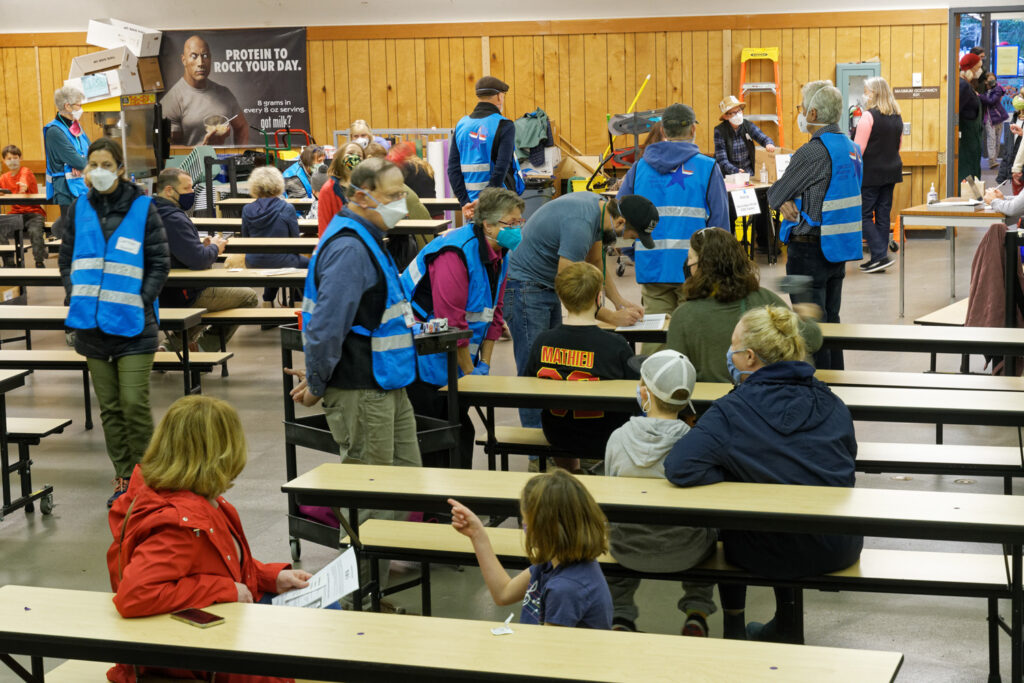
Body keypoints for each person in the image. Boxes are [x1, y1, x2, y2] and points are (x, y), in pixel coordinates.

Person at [664, 305, 862, 643]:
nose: (729, 353)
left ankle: (734, 628)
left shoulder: (731, 410)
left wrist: (730, 475)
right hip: (837, 545)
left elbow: (679, 467)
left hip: (761, 552)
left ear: (750, 358)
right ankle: (787, 622)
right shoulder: (833, 404)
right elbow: (847, 463)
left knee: (740, 515)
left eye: (732, 346)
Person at [106, 395, 311, 683]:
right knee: (315, 652)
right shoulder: (178, 524)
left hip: (210, 632)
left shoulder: (189, 500)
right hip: (196, 657)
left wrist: (268, 576)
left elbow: (214, 559)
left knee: (325, 616)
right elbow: (135, 595)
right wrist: (224, 589)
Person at [285, 159, 420, 588]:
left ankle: (376, 579)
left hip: (387, 383)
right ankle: (359, 594)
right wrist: (319, 383)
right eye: (394, 194)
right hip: (362, 387)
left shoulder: (368, 237)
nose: (403, 203)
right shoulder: (349, 248)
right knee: (370, 492)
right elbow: (325, 328)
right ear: (362, 196)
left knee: (404, 481)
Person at [58, 137, 169, 507]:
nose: (99, 172)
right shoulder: (78, 208)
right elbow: (65, 257)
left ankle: (150, 478)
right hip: (90, 327)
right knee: (110, 408)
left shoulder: (142, 208)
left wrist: (141, 299)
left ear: (120, 169)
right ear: (85, 171)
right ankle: (124, 479)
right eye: (93, 166)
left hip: (134, 325)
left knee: (134, 402)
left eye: (106, 165)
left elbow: (159, 263)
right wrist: (74, 292)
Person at [504, 192, 651, 429]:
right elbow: (570, 285)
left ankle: (556, 441)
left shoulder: (600, 212)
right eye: (631, 237)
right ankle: (536, 454)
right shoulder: (581, 223)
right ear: (621, 222)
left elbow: (595, 263)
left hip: (544, 284)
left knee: (551, 366)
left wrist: (619, 301)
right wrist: (610, 316)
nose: (629, 243)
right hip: (526, 287)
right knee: (533, 376)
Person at [402, 187, 523, 469]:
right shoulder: (454, 253)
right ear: (488, 224)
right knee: (440, 435)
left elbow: (494, 315)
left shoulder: (500, 253)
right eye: (511, 223)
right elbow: (450, 325)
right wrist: (471, 374)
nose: (517, 229)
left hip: (456, 354)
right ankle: (435, 509)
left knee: (457, 430)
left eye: (520, 223)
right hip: (421, 353)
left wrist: (485, 367)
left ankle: (452, 504)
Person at [603, 350, 717, 636]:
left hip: (627, 548)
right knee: (712, 531)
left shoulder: (617, 437)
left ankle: (621, 615)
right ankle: (697, 611)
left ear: (646, 392)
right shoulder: (695, 443)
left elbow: (608, 494)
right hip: (686, 550)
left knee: (611, 528)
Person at [617, 103, 729, 351]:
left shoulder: (638, 169)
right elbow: (720, 226)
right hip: (695, 271)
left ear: (663, 131)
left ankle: (653, 387)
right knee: (693, 342)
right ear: (692, 129)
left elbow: (618, 220)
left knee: (655, 341)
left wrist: (634, 254)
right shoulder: (708, 168)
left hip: (652, 268)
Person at [768, 80, 861, 371]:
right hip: (837, 249)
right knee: (832, 322)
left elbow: (774, 195)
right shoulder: (852, 148)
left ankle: (817, 388)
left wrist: (786, 198)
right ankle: (836, 383)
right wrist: (791, 197)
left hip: (807, 252)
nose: (799, 111)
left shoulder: (812, 152)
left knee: (809, 326)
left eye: (800, 106)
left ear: (812, 114)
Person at [448, 468, 613, 629]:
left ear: (544, 528)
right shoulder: (553, 562)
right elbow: (503, 593)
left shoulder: (565, 589)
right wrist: (477, 534)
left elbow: (548, 651)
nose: (524, 527)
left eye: (525, 521)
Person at [666, 227, 822, 382]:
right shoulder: (765, 300)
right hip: (764, 398)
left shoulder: (683, 315)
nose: (688, 264)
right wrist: (808, 318)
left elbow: (675, 374)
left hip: (708, 405)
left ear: (701, 267)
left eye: (691, 258)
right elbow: (812, 340)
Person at [524, 262, 639, 472]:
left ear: (562, 297)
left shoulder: (542, 341)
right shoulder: (615, 346)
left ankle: (571, 470)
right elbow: (636, 398)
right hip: (605, 434)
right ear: (598, 298)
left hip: (557, 432)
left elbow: (528, 384)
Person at [153, 167, 258, 352]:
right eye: (187, 189)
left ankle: (171, 346)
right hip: (182, 294)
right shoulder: (173, 219)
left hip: (158, 292)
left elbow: (178, 251)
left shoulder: (151, 211)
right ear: (169, 190)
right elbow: (198, 261)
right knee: (247, 297)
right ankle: (203, 348)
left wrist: (202, 247)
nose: (192, 193)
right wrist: (215, 248)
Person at [448, 76, 525, 222]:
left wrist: (465, 202)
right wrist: (484, 202)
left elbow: (452, 169)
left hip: (471, 206)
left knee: (477, 242)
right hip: (498, 203)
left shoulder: (461, 125)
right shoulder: (504, 125)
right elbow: (501, 168)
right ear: (499, 97)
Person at [713, 95, 775, 253]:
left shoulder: (747, 126)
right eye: (733, 112)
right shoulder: (719, 131)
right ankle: (730, 246)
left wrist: (768, 144)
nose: (738, 114)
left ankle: (764, 243)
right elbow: (721, 160)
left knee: (762, 204)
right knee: (730, 210)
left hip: (750, 177)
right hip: (730, 179)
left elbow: (762, 137)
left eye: (739, 111)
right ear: (726, 116)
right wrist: (735, 170)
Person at [854, 76, 903, 274]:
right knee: (883, 215)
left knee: (863, 215)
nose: (865, 95)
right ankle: (878, 259)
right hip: (892, 171)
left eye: (867, 91)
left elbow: (858, 149)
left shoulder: (868, 116)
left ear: (874, 93)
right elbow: (898, 145)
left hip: (871, 173)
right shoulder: (897, 116)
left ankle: (880, 255)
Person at [241, 166, 310, 306]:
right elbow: (295, 242)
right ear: (278, 184)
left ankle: (267, 302)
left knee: (272, 259)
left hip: (254, 261)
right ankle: (297, 303)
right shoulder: (287, 208)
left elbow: (245, 238)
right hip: (281, 261)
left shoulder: (247, 209)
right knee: (303, 263)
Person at [162, 35, 248, 146]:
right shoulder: (172, 101)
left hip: (226, 162)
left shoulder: (224, 93)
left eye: (205, 56)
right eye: (194, 56)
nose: (201, 63)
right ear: (184, 60)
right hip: (195, 163)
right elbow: (173, 153)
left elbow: (242, 127)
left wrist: (240, 157)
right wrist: (205, 148)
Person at [43, 86, 89, 223]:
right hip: (67, 191)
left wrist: (81, 161)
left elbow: (92, 151)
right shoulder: (54, 131)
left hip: (81, 186)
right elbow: (80, 162)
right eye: (78, 105)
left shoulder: (75, 126)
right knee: (71, 234)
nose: (81, 109)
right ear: (67, 106)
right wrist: (80, 162)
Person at [0, 145, 47, 267]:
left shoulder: (26, 171)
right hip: (15, 214)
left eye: (15, 158)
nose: (12, 161)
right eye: (9, 158)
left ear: (20, 158)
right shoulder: (3, 178)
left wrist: (23, 186)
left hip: (33, 213)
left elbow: (24, 179)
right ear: (4, 160)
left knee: (35, 232)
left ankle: (39, 262)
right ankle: (9, 262)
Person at [317, 144, 364, 236]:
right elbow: (324, 226)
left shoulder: (367, 187)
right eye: (350, 153)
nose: (355, 157)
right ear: (340, 158)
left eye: (359, 155)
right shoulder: (329, 189)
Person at [958, 52, 984, 183]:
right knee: (968, 175)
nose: (980, 70)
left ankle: (974, 198)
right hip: (966, 141)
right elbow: (955, 113)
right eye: (978, 67)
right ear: (971, 68)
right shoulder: (963, 86)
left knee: (973, 174)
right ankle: (969, 200)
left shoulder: (967, 85)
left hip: (972, 141)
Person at [979, 72, 1008, 169]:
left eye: (993, 78)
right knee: (991, 139)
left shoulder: (997, 89)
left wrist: (980, 96)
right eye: (989, 79)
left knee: (997, 140)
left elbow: (991, 101)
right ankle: (992, 160)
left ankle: (994, 159)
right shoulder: (984, 89)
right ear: (985, 81)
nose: (991, 80)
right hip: (989, 119)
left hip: (998, 117)